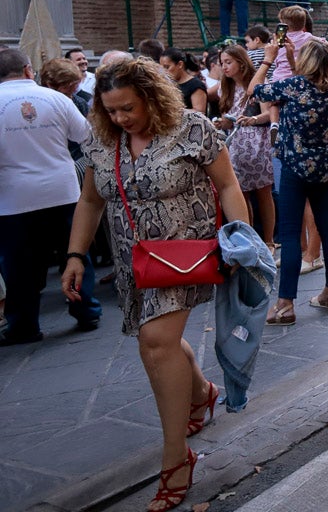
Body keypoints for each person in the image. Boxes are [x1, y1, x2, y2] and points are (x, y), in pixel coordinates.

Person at [61, 57, 249, 511]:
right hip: (134, 260)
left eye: (127, 108)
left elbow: (227, 185)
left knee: (155, 340)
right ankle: (202, 394)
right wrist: (75, 255)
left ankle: (175, 458)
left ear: (150, 96)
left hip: (187, 253)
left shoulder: (192, 127)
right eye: (110, 110)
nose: (119, 118)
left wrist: (240, 242)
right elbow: (90, 200)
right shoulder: (103, 139)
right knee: (158, 336)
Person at [0, 49, 101, 346]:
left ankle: (24, 325)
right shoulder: (56, 99)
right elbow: (86, 136)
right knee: (76, 250)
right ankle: (86, 311)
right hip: (62, 188)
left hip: (14, 197)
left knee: (19, 265)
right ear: (29, 70)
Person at [251, 40, 328, 326]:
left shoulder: (293, 86)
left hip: (295, 167)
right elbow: (303, 85)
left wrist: (268, 60)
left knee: (290, 233)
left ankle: (285, 304)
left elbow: (255, 90)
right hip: (325, 169)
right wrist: (291, 58)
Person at [213, 45, 276, 250]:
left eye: (228, 62)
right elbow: (230, 117)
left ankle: (269, 240)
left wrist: (254, 118)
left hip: (257, 142)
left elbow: (269, 113)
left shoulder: (257, 83)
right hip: (235, 144)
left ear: (241, 62)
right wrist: (222, 123)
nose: (225, 67)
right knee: (242, 193)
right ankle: (251, 240)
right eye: (222, 63)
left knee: (263, 193)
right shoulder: (225, 88)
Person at [160, 48, 207, 113]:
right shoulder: (167, 84)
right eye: (161, 68)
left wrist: (174, 110)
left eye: (167, 67)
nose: (164, 71)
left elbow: (199, 112)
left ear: (180, 65)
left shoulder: (195, 85)